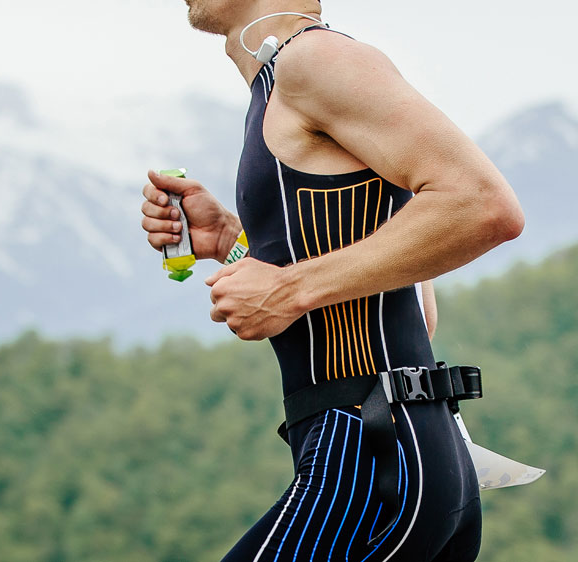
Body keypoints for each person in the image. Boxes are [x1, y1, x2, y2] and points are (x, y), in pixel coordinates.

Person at [139, 1, 524, 560]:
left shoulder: (314, 61)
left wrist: (287, 290)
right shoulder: (283, 80)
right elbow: (413, 305)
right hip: (405, 451)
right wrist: (232, 240)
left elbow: (486, 206)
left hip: (370, 460)